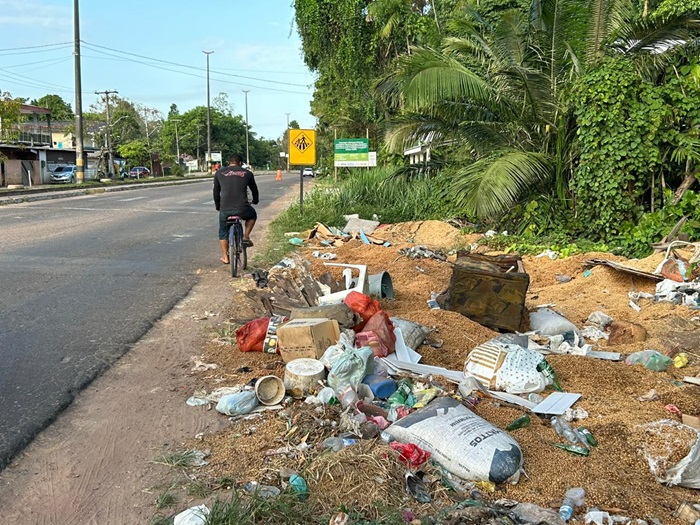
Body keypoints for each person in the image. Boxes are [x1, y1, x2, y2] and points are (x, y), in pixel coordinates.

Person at [213, 154, 259, 264]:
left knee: (223, 231)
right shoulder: (247, 173)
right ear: (240, 163)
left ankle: (225, 256)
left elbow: (216, 192)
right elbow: (254, 190)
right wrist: (255, 201)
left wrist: (218, 206)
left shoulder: (219, 173)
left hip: (225, 208)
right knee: (252, 215)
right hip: (242, 208)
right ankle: (246, 236)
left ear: (229, 162)